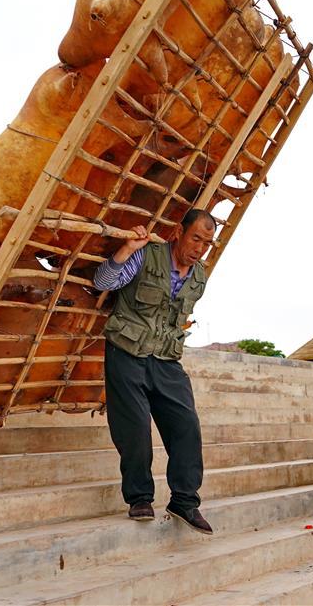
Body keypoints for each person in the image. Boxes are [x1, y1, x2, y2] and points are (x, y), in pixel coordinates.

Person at [93, 208, 216, 534]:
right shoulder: (146, 255)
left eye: (206, 243)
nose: (199, 248)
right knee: (133, 429)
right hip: (126, 352)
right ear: (179, 231)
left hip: (165, 359)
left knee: (187, 425)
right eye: (196, 238)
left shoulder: (199, 277)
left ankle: (185, 501)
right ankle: (139, 498)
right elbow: (102, 281)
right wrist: (128, 249)